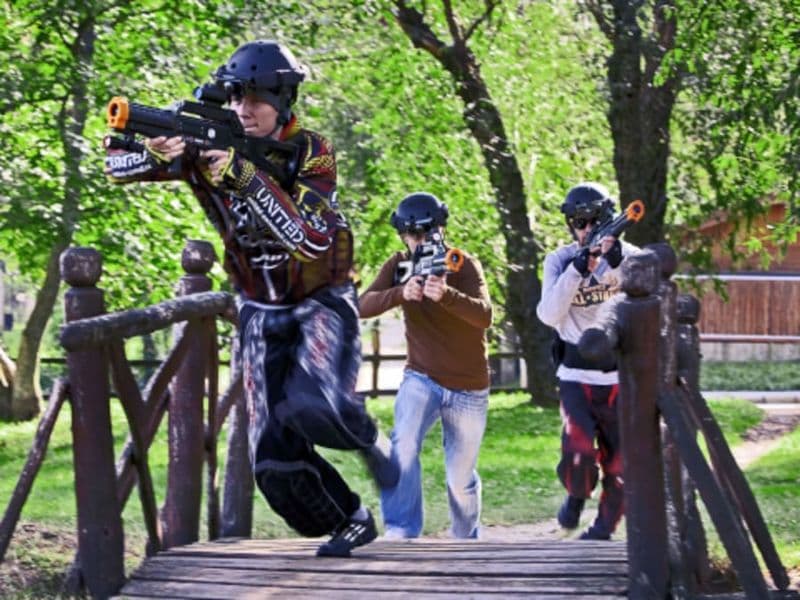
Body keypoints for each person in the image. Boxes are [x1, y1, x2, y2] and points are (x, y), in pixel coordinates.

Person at [104, 39, 398, 558]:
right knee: (272, 459)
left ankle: (370, 441)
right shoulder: (206, 143)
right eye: (238, 96)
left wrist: (246, 178)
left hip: (320, 299)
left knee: (314, 405)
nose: (245, 108)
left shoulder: (312, 149)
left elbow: (311, 238)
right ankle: (350, 517)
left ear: (283, 100)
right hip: (258, 308)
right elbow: (116, 168)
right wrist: (151, 151)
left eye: (258, 98)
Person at [359, 192, 492, 539]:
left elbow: (484, 316)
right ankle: (402, 528)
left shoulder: (463, 264)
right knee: (403, 442)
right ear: (403, 236)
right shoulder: (398, 265)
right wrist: (400, 293)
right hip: (421, 376)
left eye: (427, 233)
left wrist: (446, 295)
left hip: (468, 386)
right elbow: (361, 304)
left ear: (441, 229)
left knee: (459, 478)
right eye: (413, 235)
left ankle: (466, 535)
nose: (420, 241)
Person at [536, 182, 639, 540]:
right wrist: (577, 271)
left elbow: (643, 298)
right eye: (578, 223)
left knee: (620, 463)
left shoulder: (630, 255)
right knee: (578, 452)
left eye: (592, 222)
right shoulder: (560, 260)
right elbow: (548, 315)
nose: (585, 230)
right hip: (576, 374)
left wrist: (616, 263)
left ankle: (602, 531)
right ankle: (577, 494)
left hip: (619, 376)